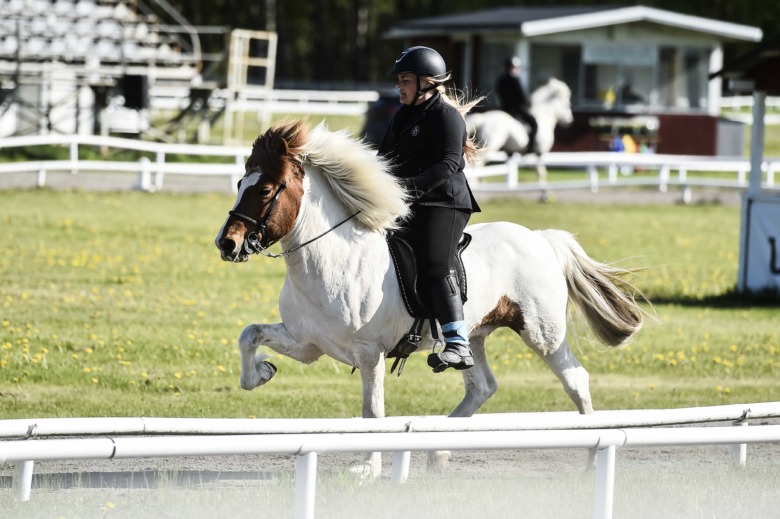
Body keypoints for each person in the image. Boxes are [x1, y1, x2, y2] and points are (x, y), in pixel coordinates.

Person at [378, 46, 483, 372]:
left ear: (427, 82)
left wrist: (405, 189)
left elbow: (449, 165)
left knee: (435, 263)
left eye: (405, 80)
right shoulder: (402, 116)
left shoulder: (445, 116)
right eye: (399, 80)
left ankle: (458, 343)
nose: (400, 86)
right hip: (407, 201)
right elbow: (383, 160)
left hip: (444, 202)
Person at [495, 56, 539, 154]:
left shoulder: (500, 79)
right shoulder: (515, 79)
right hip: (517, 109)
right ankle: (531, 148)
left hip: (504, 109)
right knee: (533, 123)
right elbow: (522, 96)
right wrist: (528, 103)